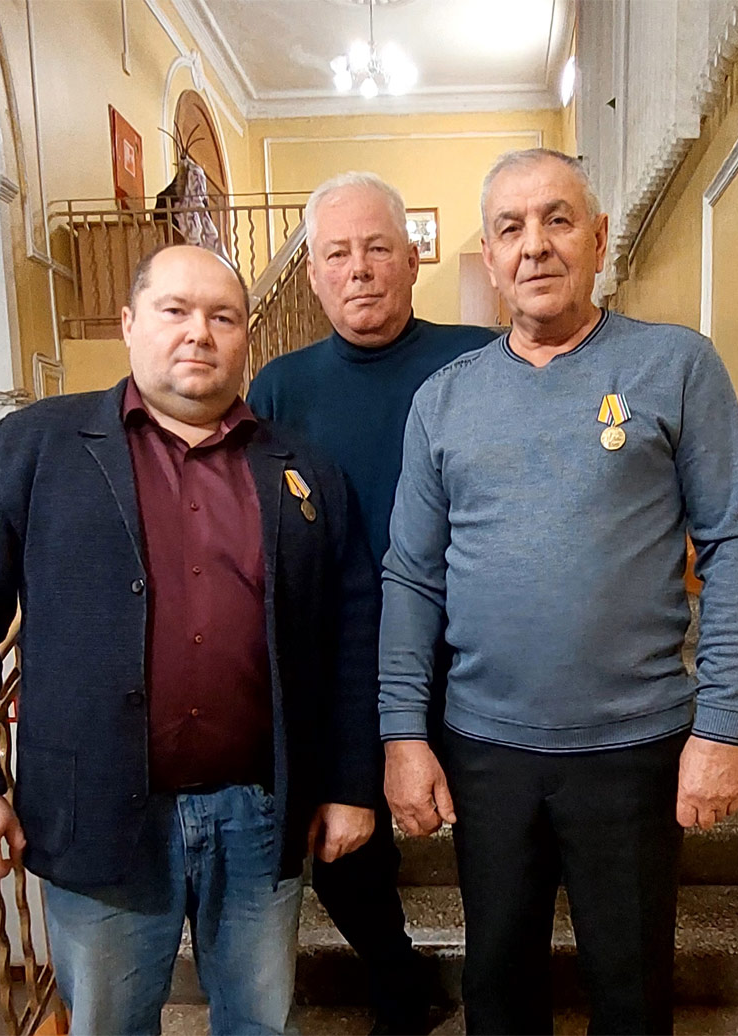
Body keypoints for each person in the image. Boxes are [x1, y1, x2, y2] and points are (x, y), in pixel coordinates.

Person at [0, 244, 382, 1036]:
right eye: (176, 310)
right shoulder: (38, 445)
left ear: (245, 337)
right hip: (97, 813)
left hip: (259, 815)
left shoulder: (303, 467)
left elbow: (350, 635)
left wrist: (351, 782)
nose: (199, 332)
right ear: (131, 324)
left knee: (259, 1025)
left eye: (223, 316)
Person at [379, 149, 738, 1036]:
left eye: (557, 220)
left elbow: (734, 547)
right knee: (497, 992)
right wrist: (403, 733)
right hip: (486, 750)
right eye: (510, 228)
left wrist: (722, 727)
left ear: (598, 238)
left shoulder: (676, 366)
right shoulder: (443, 401)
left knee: (631, 994)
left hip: (633, 748)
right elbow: (412, 576)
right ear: (489, 258)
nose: (535, 246)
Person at [248, 172, 495, 1035]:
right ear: (314, 275)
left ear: (413, 258)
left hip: (472, 655)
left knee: (499, 851)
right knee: (345, 852)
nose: (358, 269)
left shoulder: (479, 359)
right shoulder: (280, 387)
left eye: (378, 247)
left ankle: (498, 992)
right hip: (341, 663)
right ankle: (397, 973)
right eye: (337, 254)